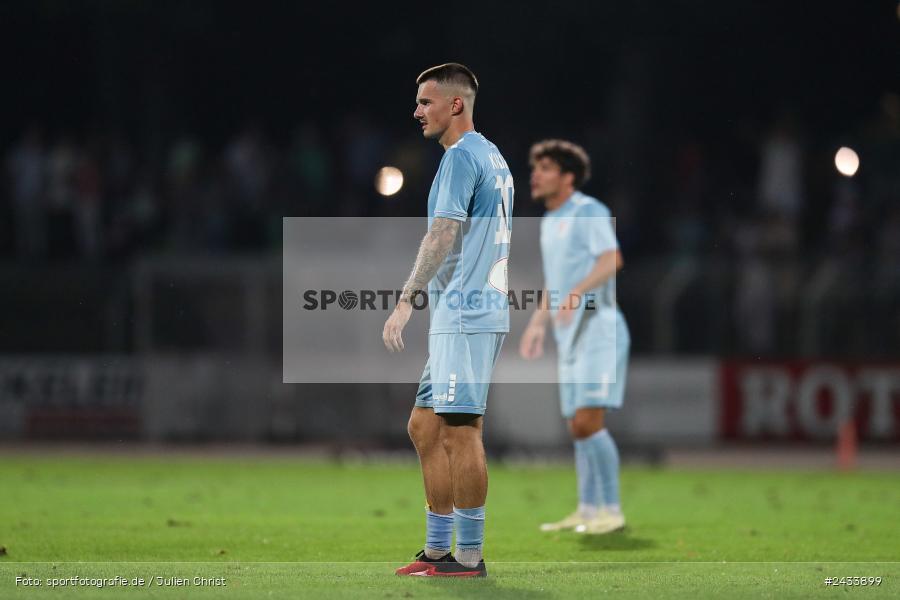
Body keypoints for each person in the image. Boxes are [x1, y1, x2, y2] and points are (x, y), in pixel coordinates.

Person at [383, 63, 512, 577]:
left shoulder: (461, 158)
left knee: (461, 430)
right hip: (465, 312)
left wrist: (405, 299)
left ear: (455, 104)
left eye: (425, 101)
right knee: (424, 426)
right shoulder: (491, 155)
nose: (417, 111)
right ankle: (438, 548)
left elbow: (441, 235)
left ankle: (471, 557)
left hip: (466, 312)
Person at [519, 139, 630, 535]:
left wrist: (578, 292)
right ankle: (586, 508)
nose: (536, 175)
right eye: (536, 168)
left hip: (599, 328)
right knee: (576, 426)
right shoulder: (551, 221)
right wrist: (537, 323)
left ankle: (612, 511)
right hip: (570, 335)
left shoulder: (588, 211)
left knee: (588, 422)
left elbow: (611, 259)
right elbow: (555, 280)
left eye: (546, 168)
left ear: (567, 178)